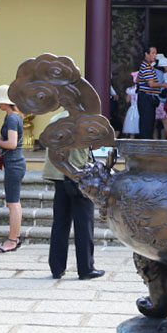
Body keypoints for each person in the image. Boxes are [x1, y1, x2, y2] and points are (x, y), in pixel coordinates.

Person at [43, 110, 103, 281]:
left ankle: (57, 267)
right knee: (84, 223)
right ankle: (85, 268)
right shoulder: (80, 120)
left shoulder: (55, 118)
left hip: (59, 175)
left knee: (60, 222)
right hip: (77, 175)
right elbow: (90, 146)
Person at [0, 84, 26, 253]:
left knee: (13, 203)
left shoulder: (12, 118)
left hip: (14, 163)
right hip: (14, 162)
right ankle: (14, 238)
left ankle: (13, 239)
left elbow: (11, 144)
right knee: (13, 202)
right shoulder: (13, 116)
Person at [137, 45, 167, 140]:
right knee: (147, 124)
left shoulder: (148, 66)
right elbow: (151, 84)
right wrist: (163, 85)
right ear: (146, 54)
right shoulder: (146, 67)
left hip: (147, 97)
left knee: (149, 123)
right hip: (146, 98)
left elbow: (138, 79)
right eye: (153, 53)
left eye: (156, 53)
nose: (155, 55)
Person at [122, 72, 140, 139]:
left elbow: (127, 100)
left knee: (132, 127)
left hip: (132, 108)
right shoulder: (141, 89)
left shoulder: (130, 90)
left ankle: (131, 140)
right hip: (140, 108)